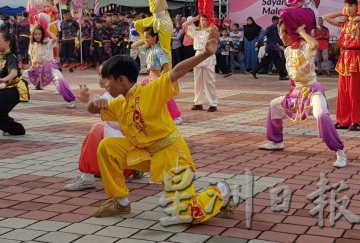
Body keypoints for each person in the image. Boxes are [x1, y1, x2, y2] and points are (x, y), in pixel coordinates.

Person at [87, 30, 234, 220]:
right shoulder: (120, 102)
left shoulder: (150, 90)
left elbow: (176, 72)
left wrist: (204, 54)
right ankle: (121, 202)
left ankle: (221, 191)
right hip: (143, 153)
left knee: (189, 214)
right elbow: (93, 109)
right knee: (107, 146)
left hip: (171, 155)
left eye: (107, 80)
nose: (104, 85)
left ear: (121, 80)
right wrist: (94, 100)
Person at [259, 24, 347, 168]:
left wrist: (301, 31)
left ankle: (339, 151)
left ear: (290, 34)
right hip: (298, 92)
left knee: (321, 115)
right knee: (275, 105)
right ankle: (276, 141)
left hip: (313, 90)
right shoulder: (287, 50)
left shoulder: (305, 46)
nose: (280, 36)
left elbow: (315, 44)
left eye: (282, 32)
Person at [63, 77, 143, 191]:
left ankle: (88, 177)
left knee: (98, 128)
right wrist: (90, 99)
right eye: (99, 75)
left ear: (120, 79)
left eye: (105, 76)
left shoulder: (132, 96)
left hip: (128, 155)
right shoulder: (110, 95)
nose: (100, 79)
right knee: (99, 128)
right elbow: (99, 100)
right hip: (121, 155)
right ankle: (88, 176)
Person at [323, 0, 360, 131]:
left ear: (356, 7)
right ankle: (344, 120)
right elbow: (326, 17)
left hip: (356, 57)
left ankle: (358, 121)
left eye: (350, 6)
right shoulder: (344, 22)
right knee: (343, 91)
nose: (348, 9)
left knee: (355, 92)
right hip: (344, 57)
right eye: (346, 6)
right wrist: (342, 13)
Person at [131, 27, 183, 125]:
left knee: (165, 96)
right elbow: (134, 46)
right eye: (145, 37)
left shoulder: (158, 50)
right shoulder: (149, 49)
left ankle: (177, 116)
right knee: (139, 90)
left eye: (148, 37)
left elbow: (166, 66)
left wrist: (162, 80)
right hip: (150, 77)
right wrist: (145, 39)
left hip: (157, 76)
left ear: (155, 37)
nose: (146, 39)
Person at [130, 0, 174, 64]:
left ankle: (168, 74)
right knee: (137, 24)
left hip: (163, 21)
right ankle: (147, 42)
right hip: (154, 18)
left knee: (165, 49)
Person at [27, 25, 76, 108]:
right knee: (20, 77)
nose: (38, 36)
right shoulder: (32, 44)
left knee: (60, 79)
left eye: (40, 34)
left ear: (43, 34)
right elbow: (31, 57)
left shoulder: (48, 42)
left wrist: (47, 30)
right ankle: (20, 97)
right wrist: (31, 66)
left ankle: (71, 99)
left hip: (50, 67)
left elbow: (55, 39)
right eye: (35, 34)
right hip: (37, 69)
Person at [184, 15, 218, 112]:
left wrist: (211, 22)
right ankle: (198, 103)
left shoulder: (211, 30)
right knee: (197, 81)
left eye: (206, 20)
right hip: (198, 53)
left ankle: (212, 104)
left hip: (208, 54)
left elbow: (215, 32)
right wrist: (197, 17)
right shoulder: (196, 31)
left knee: (209, 81)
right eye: (202, 20)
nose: (204, 22)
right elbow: (185, 25)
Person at [250, 16, 288, 80]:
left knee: (266, 61)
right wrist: (257, 42)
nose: (278, 21)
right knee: (278, 61)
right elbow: (263, 34)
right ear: (273, 21)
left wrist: (282, 44)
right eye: (277, 20)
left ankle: (254, 71)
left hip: (273, 47)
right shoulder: (270, 28)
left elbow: (277, 38)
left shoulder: (275, 28)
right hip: (271, 47)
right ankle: (282, 75)